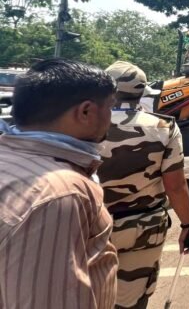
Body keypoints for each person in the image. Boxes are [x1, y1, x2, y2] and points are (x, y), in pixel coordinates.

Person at [0, 59, 118, 308]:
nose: (112, 118)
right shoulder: (59, 195)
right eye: (110, 107)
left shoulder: (9, 157)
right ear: (85, 112)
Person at [97, 61, 189, 309]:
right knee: (131, 300)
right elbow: (175, 186)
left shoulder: (85, 124)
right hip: (144, 229)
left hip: (92, 228)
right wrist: (188, 226)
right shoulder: (165, 128)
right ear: (142, 93)